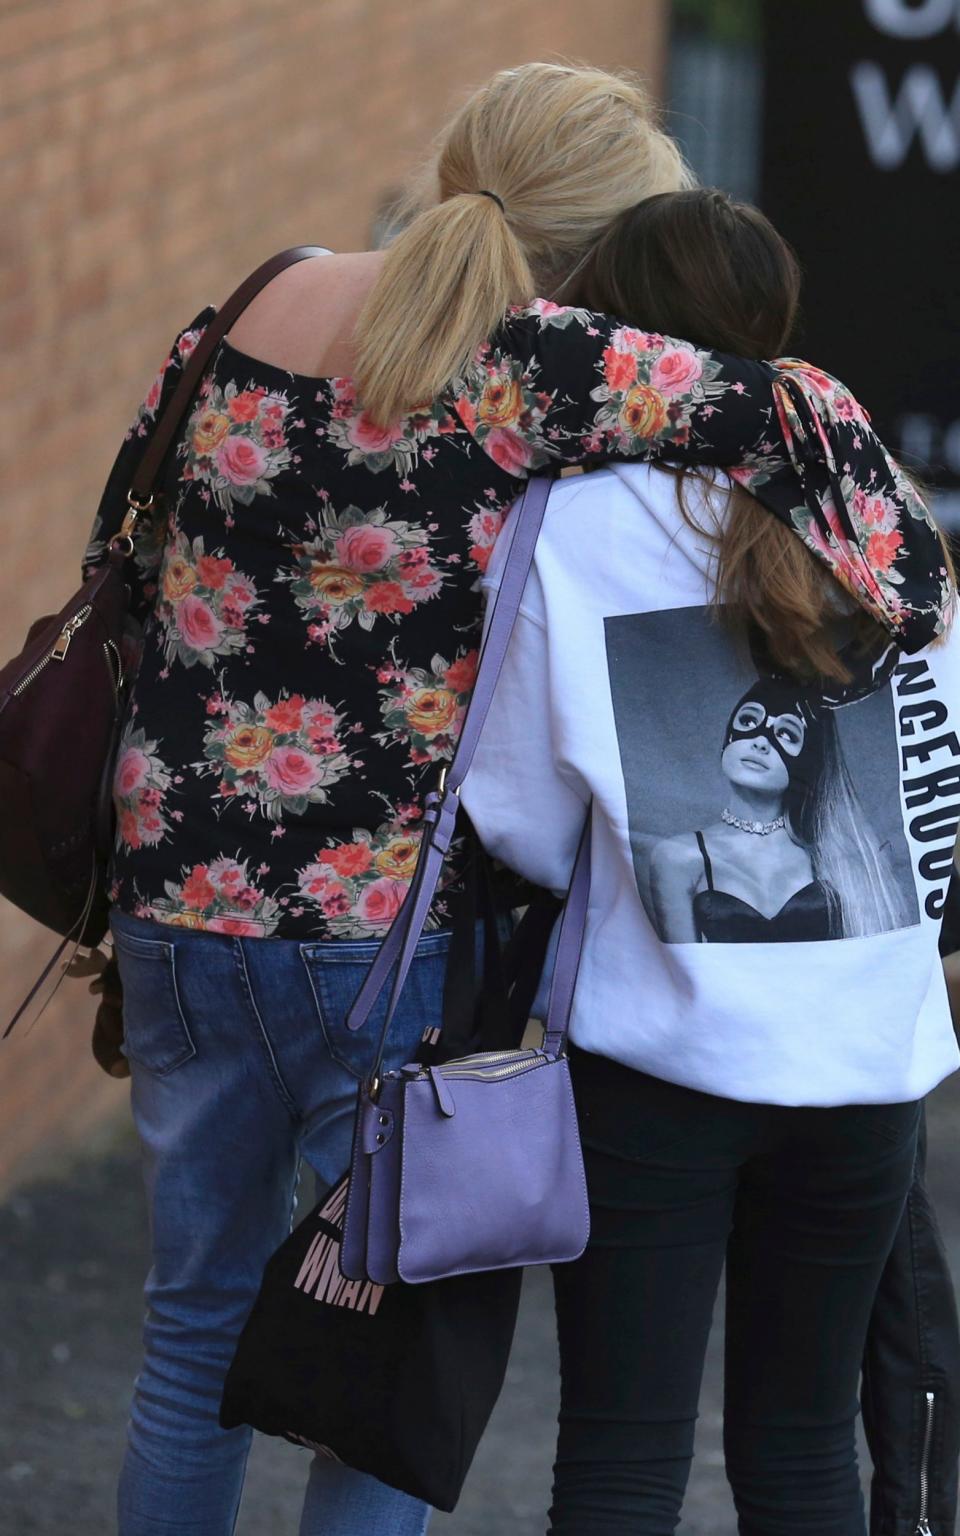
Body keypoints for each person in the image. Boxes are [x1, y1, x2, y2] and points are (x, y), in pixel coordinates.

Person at [83, 57, 949, 1530]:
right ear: (593, 245)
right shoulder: (551, 366)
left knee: (187, 1340)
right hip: (389, 947)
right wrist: (911, 578)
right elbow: (819, 457)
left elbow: (125, 540)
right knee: (382, 1370)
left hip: (177, 900)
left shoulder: (247, 304)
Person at [461, 189, 960, 1535]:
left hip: (653, 1064)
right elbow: (938, 775)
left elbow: (513, 814)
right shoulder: (886, 505)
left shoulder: (571, 519)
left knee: (621, 1459)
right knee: (806, 1457)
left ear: (620, 344)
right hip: (867, 1064)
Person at [650, 671, 913, 943]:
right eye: (749, 720)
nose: (760, 741)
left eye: (786, 733)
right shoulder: (678, 858)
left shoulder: (836, 857)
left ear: (807, 762)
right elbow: (682, 974)